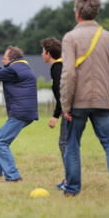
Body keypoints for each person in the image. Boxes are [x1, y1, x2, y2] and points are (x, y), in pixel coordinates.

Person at [60, 0, 109, 196]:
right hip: (104, 100)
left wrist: (65, 105)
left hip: (78, 102)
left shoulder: (70, 38)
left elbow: (69, 74)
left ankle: (72, 189)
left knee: (72, 144)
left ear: (78, 12)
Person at [0, 46, 38, 182]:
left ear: (12, 58)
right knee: (1, 138)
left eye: (4, 57)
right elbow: (3, 71)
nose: (2, 58)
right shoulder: (20, 66)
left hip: (20, 112)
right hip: (26, 111)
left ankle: (13, 175)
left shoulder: (14, 70)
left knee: (1, 140)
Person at [40, 38, 68, 189]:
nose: (41, 54)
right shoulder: (62, 65)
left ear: (48, 53)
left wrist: (55, 116)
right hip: (75, 108)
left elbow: (61, 93)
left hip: (70, 110)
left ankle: (70, 180)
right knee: (69, 144)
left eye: (42, 51)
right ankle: (70, 178)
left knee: (65, 144)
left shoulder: (57, 67)